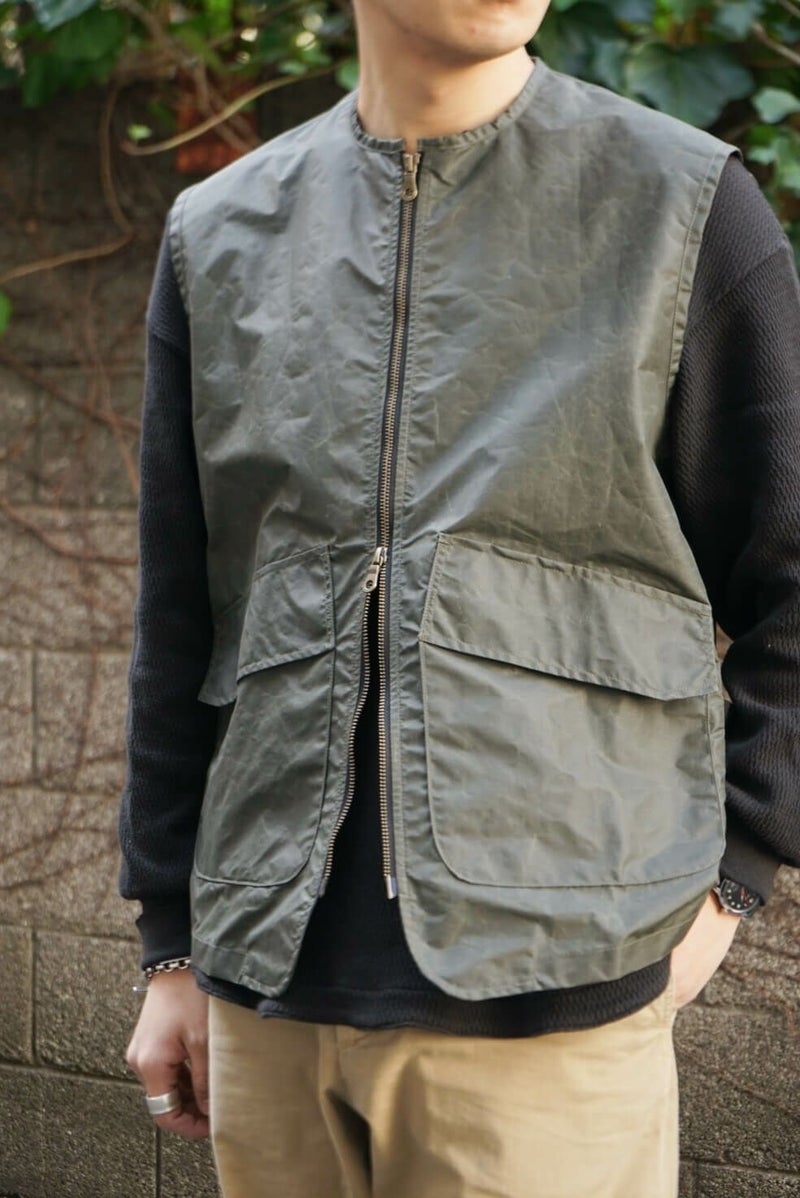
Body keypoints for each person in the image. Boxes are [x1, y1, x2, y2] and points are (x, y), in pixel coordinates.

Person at [119, 2, 800, 1195]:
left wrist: (731, 877)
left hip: (554, 998)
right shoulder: (218, 233)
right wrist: (169, 943)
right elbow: (183, 618)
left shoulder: (677, 204)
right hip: (264, 999)